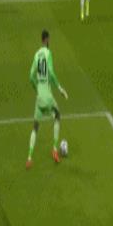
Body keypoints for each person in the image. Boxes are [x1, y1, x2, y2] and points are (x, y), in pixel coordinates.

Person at [26, 30, 68, 169]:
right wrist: (60, 88)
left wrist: (37, 89)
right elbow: (51, 72)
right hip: (48, 97)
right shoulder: (48, 53)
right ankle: (55, 149)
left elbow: (30, 76)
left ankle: (29, 158)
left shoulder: (36, 54)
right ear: (47, 39)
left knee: (35, 127)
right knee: (57, 115)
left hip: (39, 97)